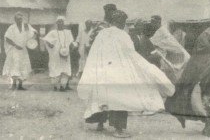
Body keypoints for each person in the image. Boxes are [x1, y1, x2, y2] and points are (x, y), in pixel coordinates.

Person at [78, 10, 175, 138]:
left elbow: (94, 52)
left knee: (101, 96)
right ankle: (118, 129)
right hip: (118, 71)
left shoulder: (102, 34)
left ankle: (100, 124)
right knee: (120, 98)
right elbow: (131, 54)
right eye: (123, 22)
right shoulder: (122, 35)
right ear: (119, 21)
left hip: (104, 70)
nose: (124, 24)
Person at [150, 16, 190, 84]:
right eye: (152, 23)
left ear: (158, 22)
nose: (152, 25)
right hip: (165, 56)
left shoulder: (162, 31)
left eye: (153, 23)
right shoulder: (161, 31)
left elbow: (170, 43)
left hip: (169, 55)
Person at [2, 12, 36, 90]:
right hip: (14, 50)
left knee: (23, 66)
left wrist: (31, 40)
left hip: (23, 49)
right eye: (18, 19)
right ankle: (14, 85)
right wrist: (15, 45)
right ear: (15, 19)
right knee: (15, 66)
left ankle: (20, 86)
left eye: (21, 19)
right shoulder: (12, 27)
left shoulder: (26, 26)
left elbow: (34, 33)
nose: (19, 20)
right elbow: (7, 38)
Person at [42, 16, 74, 92]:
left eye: (62, 21)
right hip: (55, 54)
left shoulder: (68, 32)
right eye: (59, 21)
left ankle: (63, 86)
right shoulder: (52, 32)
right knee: (55, 69)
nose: (60, 23)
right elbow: (46, 40)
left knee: (65, 69)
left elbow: (71, 42)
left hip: (65, 53)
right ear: (56, 23)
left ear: (64, 23)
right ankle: (55, 86)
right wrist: (50, 45)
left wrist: (72, 47)